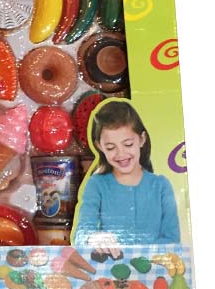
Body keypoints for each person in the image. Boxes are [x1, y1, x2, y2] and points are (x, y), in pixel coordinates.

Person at [72, 99, 180, 250]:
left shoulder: (161, 186)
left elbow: (173, 239)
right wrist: (92, 238)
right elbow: (81, 235)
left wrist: (138, 252)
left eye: (128, 144)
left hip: (155, 264)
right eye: (110, 147)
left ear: (141, 139)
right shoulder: (96, 185)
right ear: (100, 147)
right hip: (111, 264)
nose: (121, 154)